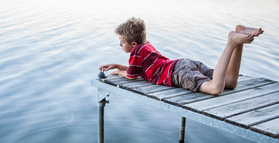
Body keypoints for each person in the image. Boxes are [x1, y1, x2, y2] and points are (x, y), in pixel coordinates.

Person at [99, 17, 263, 95]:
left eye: (121, 42)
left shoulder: (135, 53)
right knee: (230, 82)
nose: (120, 45)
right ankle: (239, 37)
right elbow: (140, 70)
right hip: (182, 64)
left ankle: (231, 43)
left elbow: (131, 76)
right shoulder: (146, 46)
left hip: (178, 74)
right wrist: (118, 65)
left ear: (133, 44)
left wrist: (119, 72)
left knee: (215, 88)